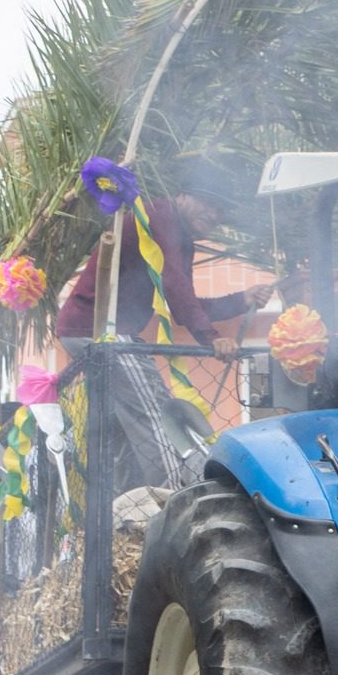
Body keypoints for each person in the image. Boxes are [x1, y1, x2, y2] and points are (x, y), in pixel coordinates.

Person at [54, 155, 273, 489]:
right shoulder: (163, 216)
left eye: (221, 213)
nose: (214, 217)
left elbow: (181, 300)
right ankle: (173, 497)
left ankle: (129, 504)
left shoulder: (179, 234)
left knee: (128, 428)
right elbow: (175, 284)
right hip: (100, 330)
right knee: (158, 414)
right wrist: (211, 337)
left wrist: (241, 300)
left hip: (93, 331)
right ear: (185, 194)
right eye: (210, 205)